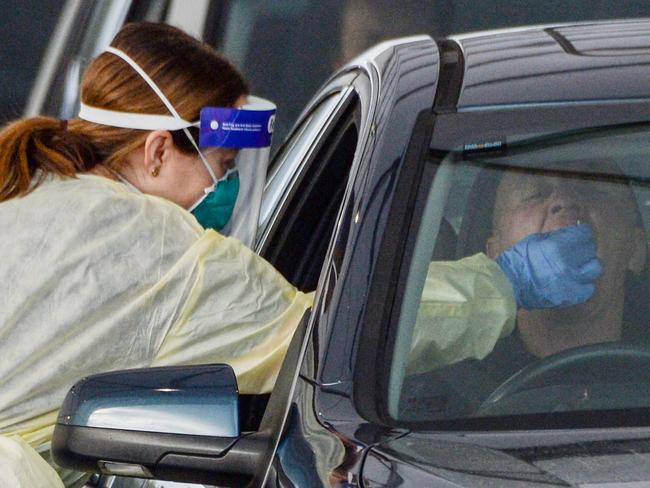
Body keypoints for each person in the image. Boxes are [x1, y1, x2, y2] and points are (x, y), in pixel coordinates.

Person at [0, 22, 312, 487]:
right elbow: (328, 331)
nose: (226, 187)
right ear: (158, 152)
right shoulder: (166, 249)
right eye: (223, 165)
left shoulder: (26, 184)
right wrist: (464, 298)